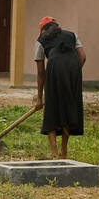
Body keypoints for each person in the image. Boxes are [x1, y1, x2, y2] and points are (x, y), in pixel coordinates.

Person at [34, 16, 86, 158]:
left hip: (55, 70)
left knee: (52, 109)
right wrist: (72, 73)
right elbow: (82, 56)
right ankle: (64, 151)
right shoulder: (72, 35)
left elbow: (40, 72)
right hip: (73, 69)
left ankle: (54, 152)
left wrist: (40, 98)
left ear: (43, 30)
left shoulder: (40, 41)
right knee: (68, 107)